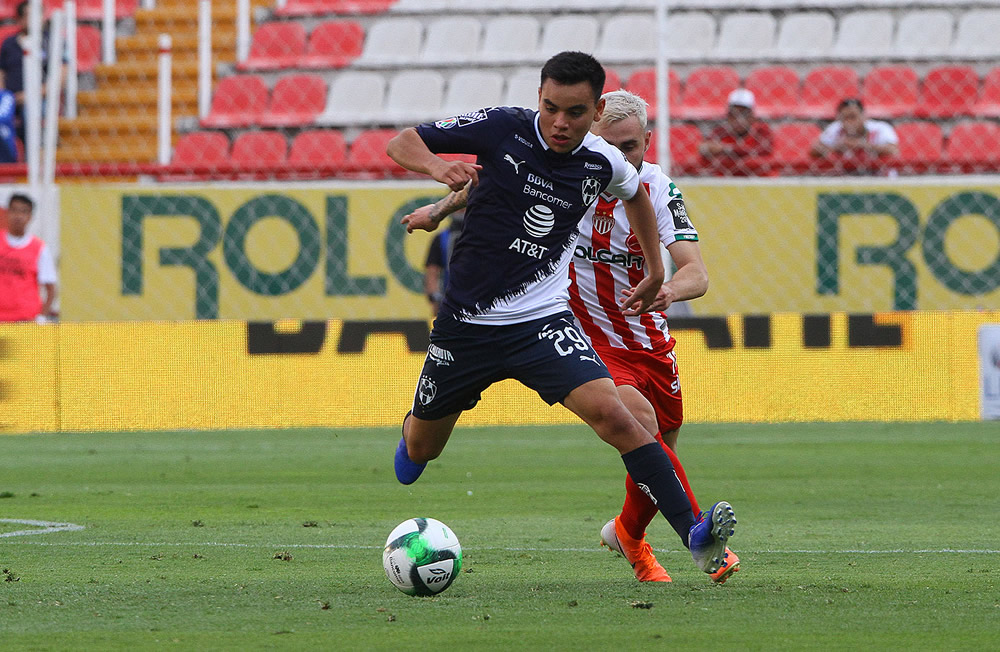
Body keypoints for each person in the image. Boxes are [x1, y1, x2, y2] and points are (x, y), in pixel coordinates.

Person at [386, 51, 736, 580]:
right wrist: (439, 171)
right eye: (550, 108)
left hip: (543, 323)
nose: (559, 122)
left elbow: (637, 196)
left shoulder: (603, 161)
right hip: (467, 326)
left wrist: (656, 269)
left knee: (618, 417)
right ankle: (416, 425)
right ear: (539, 99)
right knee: (419, 453)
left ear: (595, 111)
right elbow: (401, 142)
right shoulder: (503, 127)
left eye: (574, 112)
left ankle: (695, 535)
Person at [0, 193, 58, 322]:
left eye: (23, 212)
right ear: (7, 213)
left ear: (30, 216)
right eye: (14, 210)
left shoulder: (39, 248)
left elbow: (50, 287)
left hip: (26, 320)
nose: (18, 216)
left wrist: (41, 316)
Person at [698, 88, 773, 175]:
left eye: (744, 114)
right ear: (728, 116)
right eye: (733, 114)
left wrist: (726, 149)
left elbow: (762, 152)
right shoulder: (721, 131)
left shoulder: (761, 131)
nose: (739, 119)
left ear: (752, 117)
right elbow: (706, 147)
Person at [810, 98, 899, 169]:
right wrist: (836, 147)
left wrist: (863, 145)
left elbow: (893, 150)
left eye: (853, 117)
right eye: (845, 118)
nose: (849, 122)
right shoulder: (835, 128)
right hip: (844, 175)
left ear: (863, 116)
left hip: (877, 174)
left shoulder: (880, 128)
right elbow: (814, 150)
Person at [423, 212, 464, 316]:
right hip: (450, 302)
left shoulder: (484, 237)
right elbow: (432, 272)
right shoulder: (442, 238)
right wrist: (435, 297)